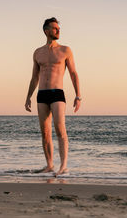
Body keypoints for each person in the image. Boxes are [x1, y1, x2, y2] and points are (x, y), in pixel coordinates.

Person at [25, 17, 81, 177]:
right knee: (45, 132)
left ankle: (63, 166)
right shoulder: (38, 52)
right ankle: (49, 165)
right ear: (46, 30)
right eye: (55, 28)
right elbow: (34, 77)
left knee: (60, 129)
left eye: (58, 28)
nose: (58, 31)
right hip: (41, 94)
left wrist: (78, 95)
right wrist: (28, 96)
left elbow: (73, 73)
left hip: (57, 93)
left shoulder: (65, 50)